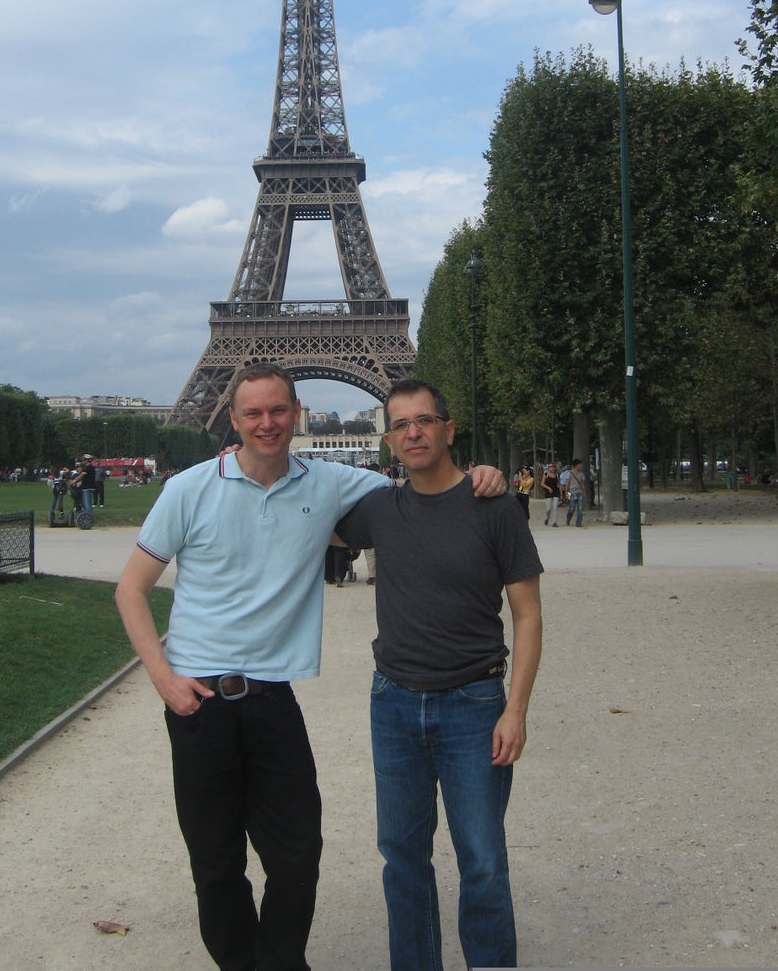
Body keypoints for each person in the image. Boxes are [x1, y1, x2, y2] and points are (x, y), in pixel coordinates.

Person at [114, 364, 505, 971]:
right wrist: (165, 679)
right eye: (253, 413)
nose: (267, 423)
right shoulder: (188, 488)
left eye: (278, 411)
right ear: (234, 418)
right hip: (199, 702)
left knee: (297, 854)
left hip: (273, 698)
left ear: (296, 414)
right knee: (216, 862)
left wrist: (478, 473)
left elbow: (422, 485)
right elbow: (130, 590)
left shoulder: (327, 483)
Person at [335, 379, 543, 971]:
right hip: (393, 703)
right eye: (400, 425)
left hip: (474, 704)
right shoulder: (379, 508)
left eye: (424, 420)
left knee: (481, 857)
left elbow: (528, 615)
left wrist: (516, 710)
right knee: (401, 856)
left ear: (449, 429)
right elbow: (301, 519)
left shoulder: (494, 505)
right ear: (390, 441)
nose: (413, 432)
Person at [562, 457, 586, 527]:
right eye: (579, 464)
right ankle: (568, 518)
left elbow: (582, 484)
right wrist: (566, 493)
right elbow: (567, 483)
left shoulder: (581, 474)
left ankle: (578, 523)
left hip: (579, 492)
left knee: (580, 509)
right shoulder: (569, 473)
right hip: (571, 492)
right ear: (576, 465)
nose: (580, 466)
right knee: (571, 508)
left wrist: (584, 492)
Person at [540, 460, 562, 527]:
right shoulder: (546, 474)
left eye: (553, 467)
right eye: (550, 467)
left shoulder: (557, 474)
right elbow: (542, 484)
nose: (552, 468)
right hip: (548, 492)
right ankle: (547, 518)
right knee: (548, 508)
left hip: (556, 491)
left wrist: (561, 494)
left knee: (555, 507)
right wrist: (548, 488)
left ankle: (554, 522)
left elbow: (559, 484)